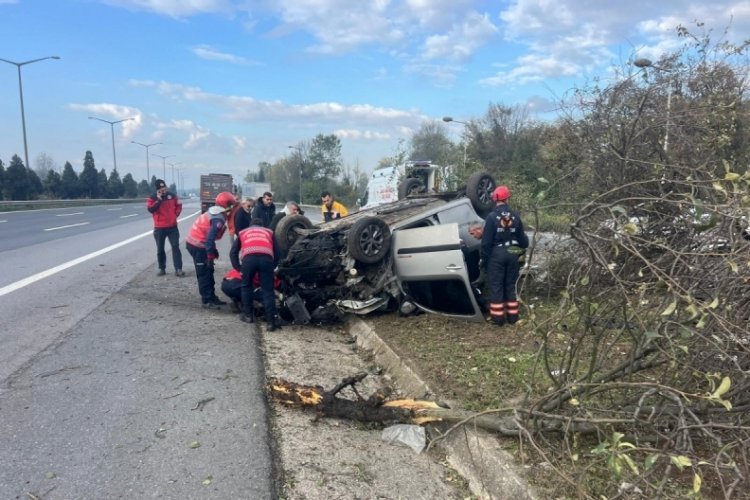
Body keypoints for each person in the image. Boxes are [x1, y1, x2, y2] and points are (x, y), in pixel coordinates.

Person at [480, 186, 529, 326]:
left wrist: (484, 258)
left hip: (497, 255)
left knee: (496, 287)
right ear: (507, 198)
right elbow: (524, 242)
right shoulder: (516, 216)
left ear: (495, 199)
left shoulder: (491, 217)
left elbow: (486, 242)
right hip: (513, 254)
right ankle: (513, 318)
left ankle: (498, 319)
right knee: (510, 286)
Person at [185, 191, 236, 309]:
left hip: (199, 244)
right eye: (231, 205)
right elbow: (209, 239)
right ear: (226, 205)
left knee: (209, 271)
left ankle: (212, 297)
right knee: (204, 273)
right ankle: (207, 300)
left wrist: (213, 251)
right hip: (197, 245)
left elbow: (209, 238)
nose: (232, 208)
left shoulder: (215, 212)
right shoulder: (218, 218)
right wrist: (210, 256)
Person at [230, 217, 282, 331]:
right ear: (262, 226)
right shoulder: (269, 232)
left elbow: (233, 252)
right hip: (266, 259)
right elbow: (278, 252)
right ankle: (271, 322)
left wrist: (239, 268)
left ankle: (248, 316)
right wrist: (272, 266)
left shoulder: (243, 232)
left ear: (250, 225)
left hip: (249, 260)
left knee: (246, 286)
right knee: (268, 290)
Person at [146, 179, 184, 276]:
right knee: (160, 249)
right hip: (159, 228)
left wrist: (176, 214)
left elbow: (179, 205)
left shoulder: (172, 195)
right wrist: (158, 200)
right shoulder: (152, 198)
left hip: (172, 227)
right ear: (157, 189)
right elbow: (150, 209)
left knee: (175, 247)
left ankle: (178, 269)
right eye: (161, 189)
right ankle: (162, 268)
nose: (164, 190)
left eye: (165, 187)